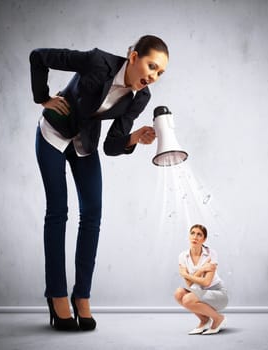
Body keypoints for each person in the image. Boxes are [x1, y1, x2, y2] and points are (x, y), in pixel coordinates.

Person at [30, 35, 169, 331]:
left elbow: (112, 145)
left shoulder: (141, 97)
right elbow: (39, 56)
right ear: (133, 57)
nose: (153, 76)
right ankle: (56, 297)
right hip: (53, 133)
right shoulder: (97, 61)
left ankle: (82, 297)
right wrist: (43, 97)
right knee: (58, 212)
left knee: (92, 214)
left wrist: (133, 138)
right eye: (151, 66)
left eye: (160, 73)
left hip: (85, 142)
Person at [174, 224, 228, 335]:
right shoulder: (182, 256)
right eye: (192, 233)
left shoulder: (211, 254)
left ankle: (218, 318)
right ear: (189, 236)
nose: (195, 237)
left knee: (188, 299)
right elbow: (189, 284)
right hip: (200, 292)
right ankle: (204, 320)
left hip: (217, 293)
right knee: (179, 293)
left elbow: (207, 282)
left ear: (204, 239)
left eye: (199, 234)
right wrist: (201, 269)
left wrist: (186, 274)